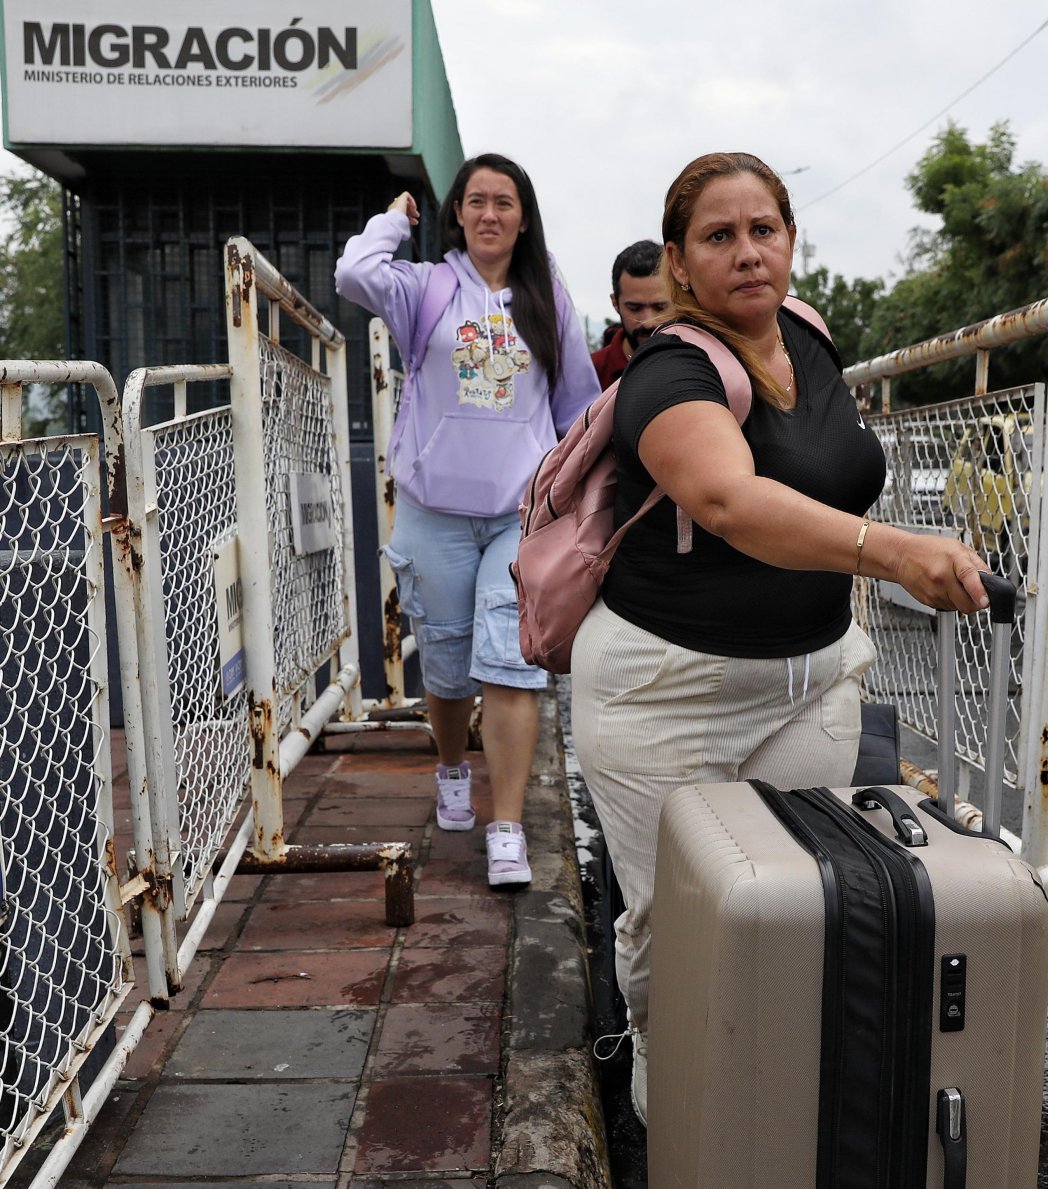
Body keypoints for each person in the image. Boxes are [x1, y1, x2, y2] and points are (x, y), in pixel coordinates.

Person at [570, 151, 993, 1126]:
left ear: (791, 240)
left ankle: (777, 1129)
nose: (747, 253)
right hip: (663, 695)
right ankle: (672, 1125)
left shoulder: (807, 336)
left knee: (802, 910)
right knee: (676, 931)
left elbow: (826, 468)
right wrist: (892, 552)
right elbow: (725, 497)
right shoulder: (670, 369)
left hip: (807, 682)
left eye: (764, 229)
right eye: (718, 237)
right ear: (678, 264)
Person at [335, 153, 601, 887]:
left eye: (504, 202)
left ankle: (506, 825)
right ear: (457, 212)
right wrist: (394, 219)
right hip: (435, 512)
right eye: (476, 200)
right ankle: (452, 766)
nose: (490, 214)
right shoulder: (424, 288)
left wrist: (571, 497)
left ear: (523, 215)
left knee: (511, 663)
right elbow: (354, 274)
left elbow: (579, 404)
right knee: (449, 668)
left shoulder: (549, 298)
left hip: (520, 514)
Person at [590, 239, 670, 387]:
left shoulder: (704, 363)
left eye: (660, 307)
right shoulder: (592, 374)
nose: (648, 322)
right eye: (635, 308)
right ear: (615, 303)